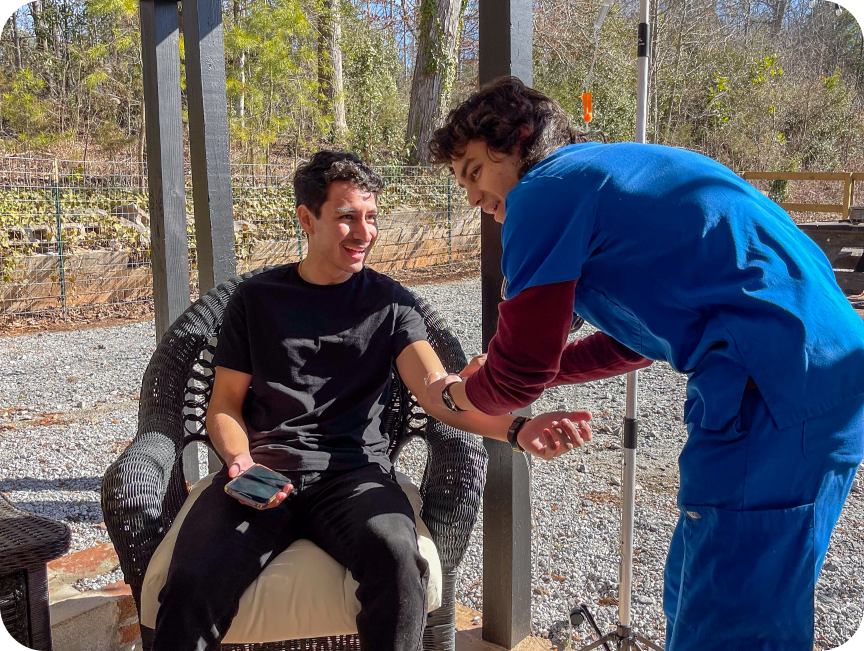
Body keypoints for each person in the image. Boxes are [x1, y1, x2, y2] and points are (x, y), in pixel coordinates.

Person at [424, 77, 864, 651]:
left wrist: (461, 393)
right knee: (711, 582)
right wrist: (532, 371)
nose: (473, 199)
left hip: (769, 387)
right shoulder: (614, 175)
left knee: (732, 615)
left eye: (475, 171)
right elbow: (637, 341)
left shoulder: (545, 190)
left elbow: (519, 370)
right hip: (823, 379)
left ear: (520, 138)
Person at [151, 151, 593, 651]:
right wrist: (239, 462)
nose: (364, 232)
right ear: (307, 219)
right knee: (191, 585)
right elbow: (224, 405)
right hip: (266, 472)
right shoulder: (256, 299)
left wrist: (516, 429)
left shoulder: (392, 303)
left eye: (371, 217)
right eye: (346, 217)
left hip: (355, 477)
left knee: (400, 562)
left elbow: (436, 391)